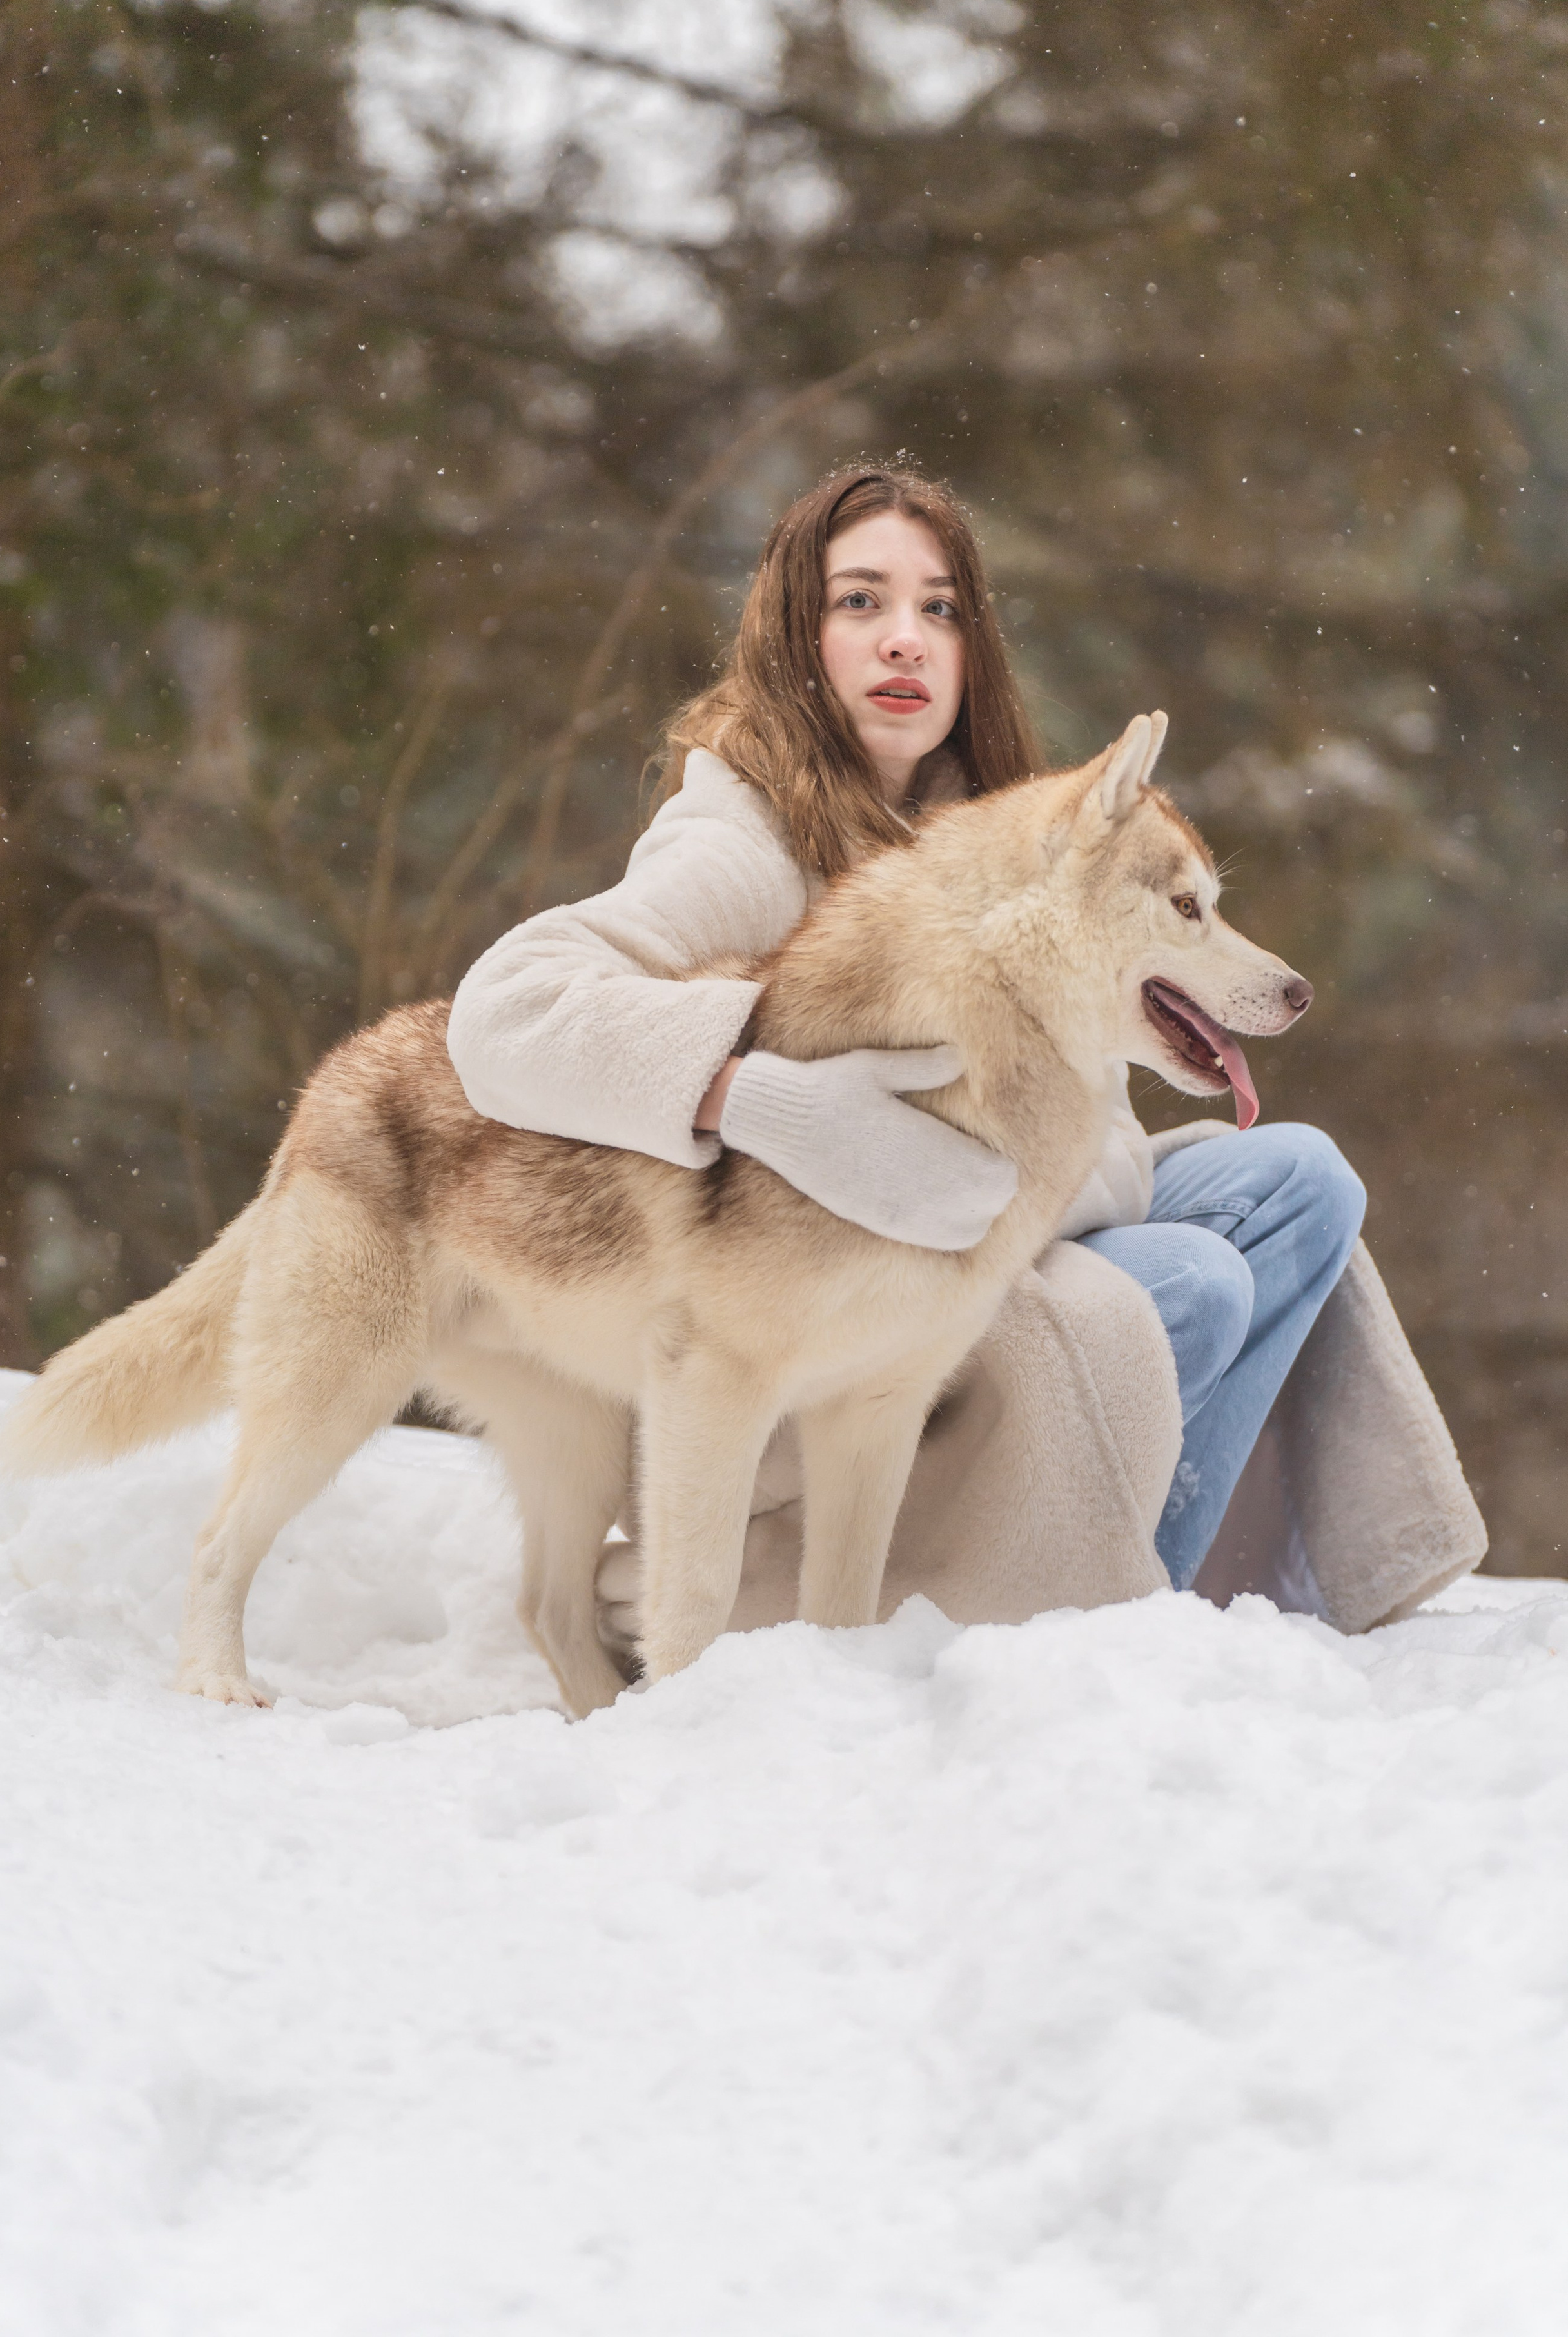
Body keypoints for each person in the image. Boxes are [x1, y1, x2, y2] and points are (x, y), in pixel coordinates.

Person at [448, 465, 1485, 1642]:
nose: (906, 639)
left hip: (991, 1247)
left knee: (1301, 1182)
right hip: (818, 1309)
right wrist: (759, 1098)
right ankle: (1020, 1612)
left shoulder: (1002, 828)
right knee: (1185, 1288)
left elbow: (1097, 1148)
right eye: (860, 603)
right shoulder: (741, 836)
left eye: (939, 608)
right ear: (798, 635)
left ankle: (1131, 1575)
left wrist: (1021, 1170)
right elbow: (503, 1017)